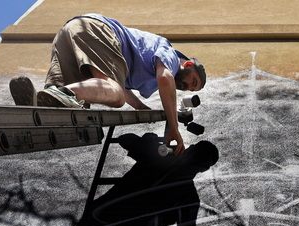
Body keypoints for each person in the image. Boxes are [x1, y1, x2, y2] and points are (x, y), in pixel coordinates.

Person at [10, 14, 206, 155]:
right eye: (192, 82)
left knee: (64, 108)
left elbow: (124, 87)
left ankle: (36, 102)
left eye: (191, 89)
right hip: (97, 31)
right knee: (114, 95)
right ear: (187, 64)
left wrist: (139, 107)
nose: (187, 87)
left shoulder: (148, 67)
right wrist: (173, 127)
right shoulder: (171, 57)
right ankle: (65, 94)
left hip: (71, 32)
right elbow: (165, 79)